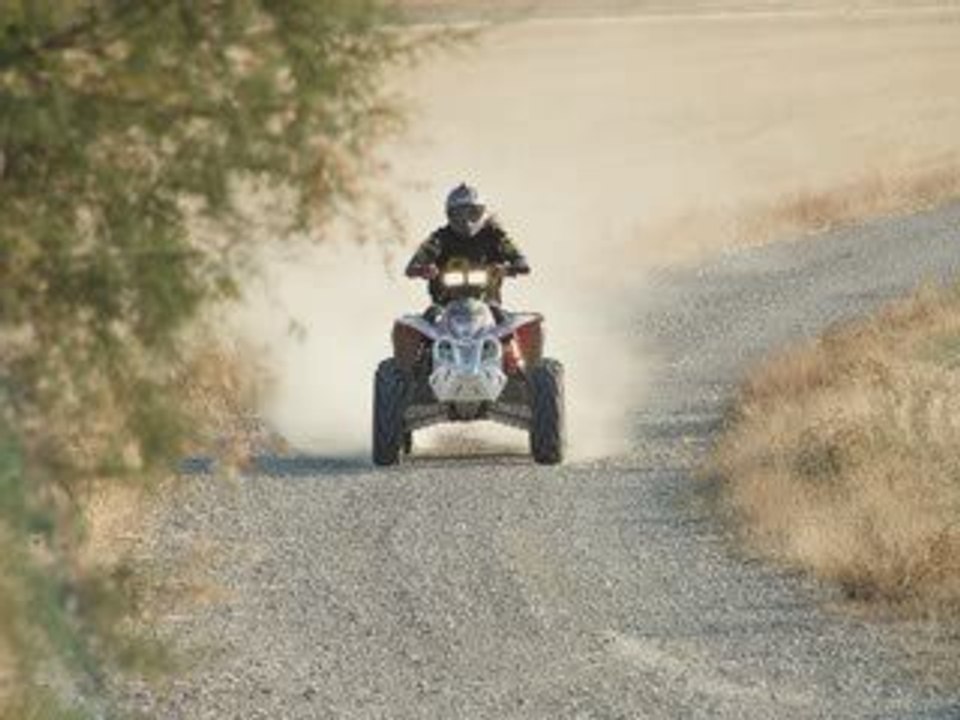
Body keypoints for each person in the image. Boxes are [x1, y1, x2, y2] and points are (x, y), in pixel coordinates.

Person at [405, 183, 530, 310]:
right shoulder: (438, 238)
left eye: (472, 213)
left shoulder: (496, 236)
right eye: (459, 215)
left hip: (489, 305)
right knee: (416, 324)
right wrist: (424, 269)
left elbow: (521, 261)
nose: (466, 221)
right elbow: (412, 266)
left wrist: (506, 269)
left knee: (512, 324)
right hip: (444, 306)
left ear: (482, 212)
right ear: (449, 215)